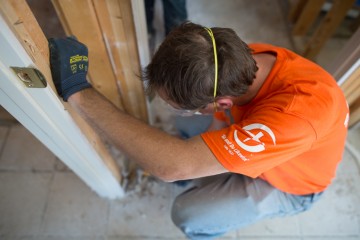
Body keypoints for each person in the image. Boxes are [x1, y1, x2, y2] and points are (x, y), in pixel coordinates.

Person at [48, 22, 349, 239]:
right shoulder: (237, 59)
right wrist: (212, 130)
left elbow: (169, 167)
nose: (180, 110)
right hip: (270, 139)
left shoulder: (294, 116)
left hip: (292, 184)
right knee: (184, 130)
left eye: (185, 105)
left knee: (188, 214)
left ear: (222, 102)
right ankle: (216, 163)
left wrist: (78, 91)